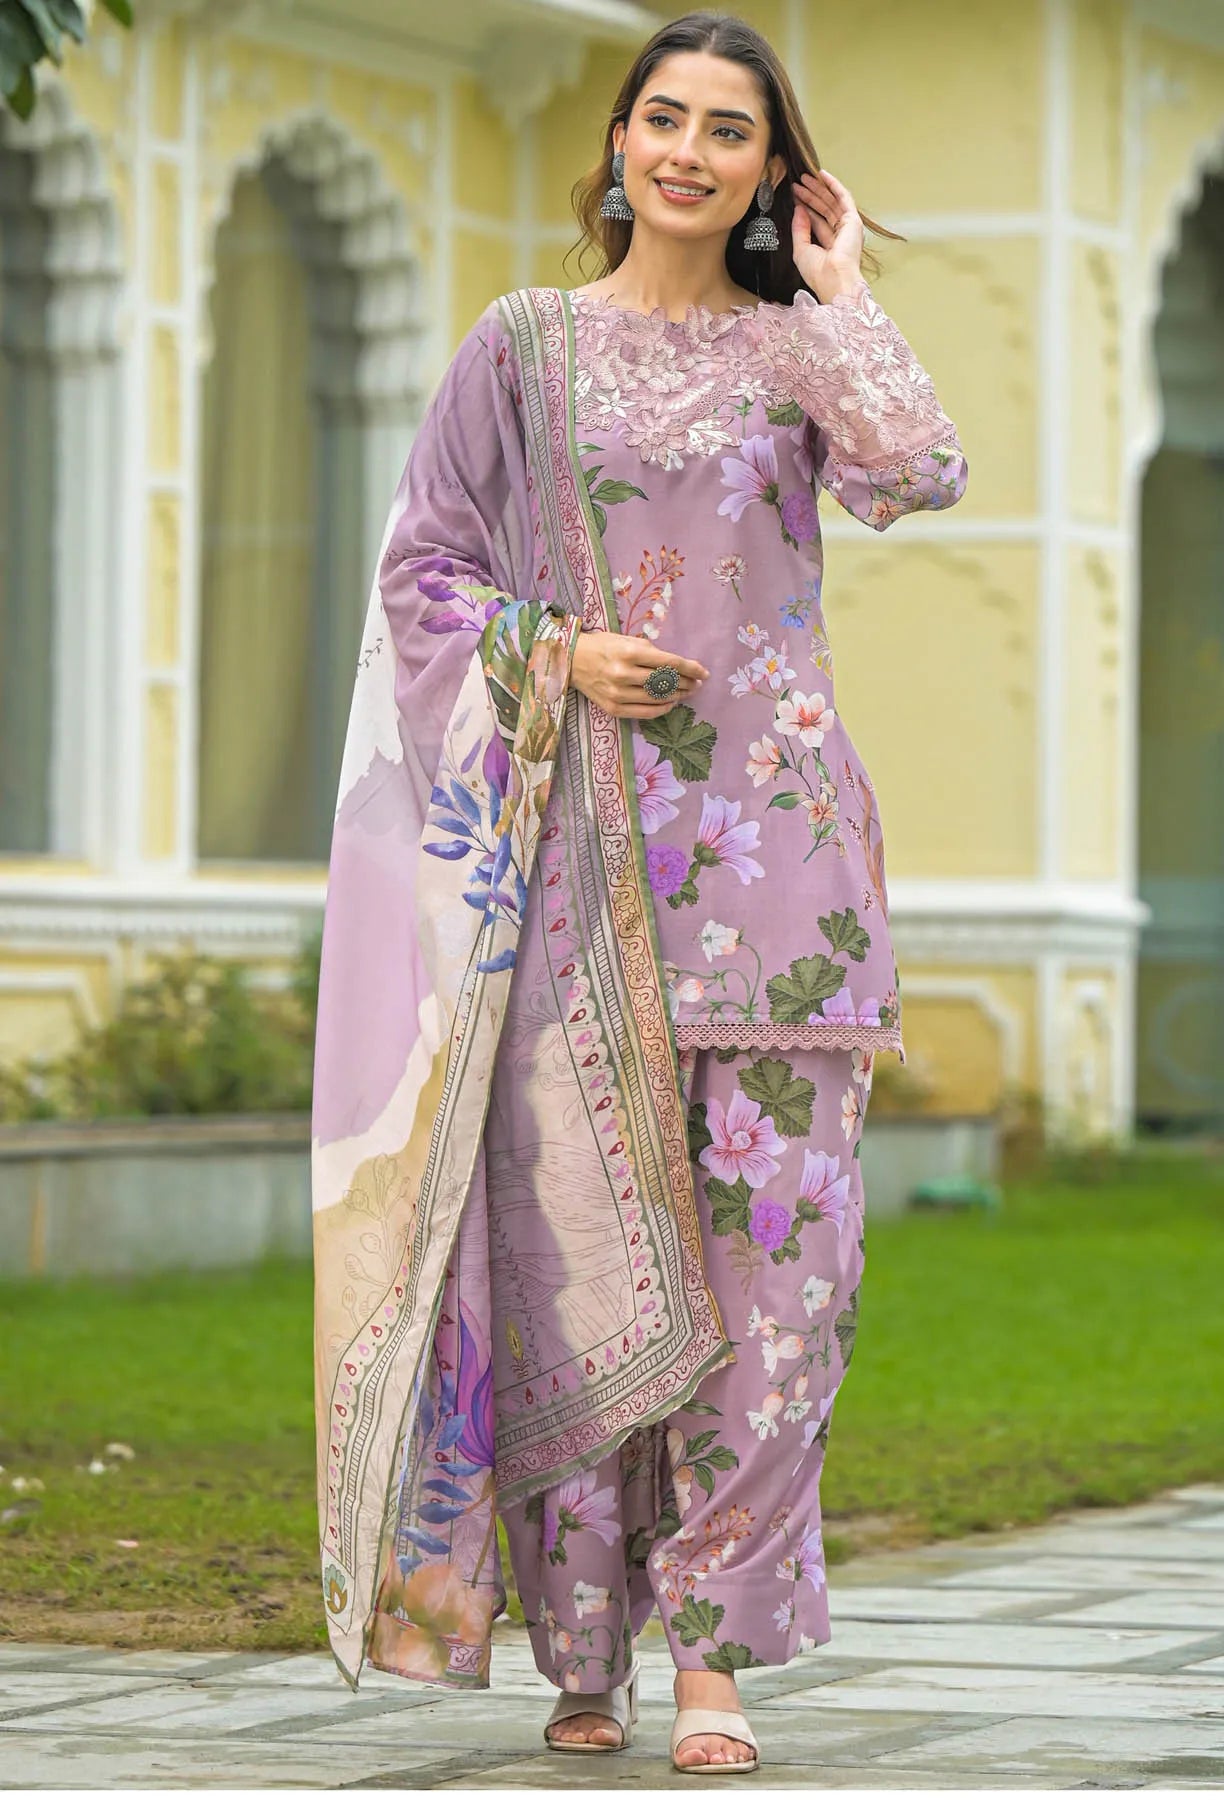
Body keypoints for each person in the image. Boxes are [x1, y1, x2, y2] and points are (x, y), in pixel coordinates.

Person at [311, 7, 967, 1775]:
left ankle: (715, 1664)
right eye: (661, 118)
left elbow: (922, 469)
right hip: (573, 873)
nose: (687, 151)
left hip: (783, 885)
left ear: (772, 169)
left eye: (728, 131)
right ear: (615, 143)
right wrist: (555, 651)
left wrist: (841, 295)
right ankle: (584, 1656)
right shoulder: (519, 351)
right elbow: (424, 575)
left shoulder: (795, 354)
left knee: (784, 1291)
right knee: (580, 1269)